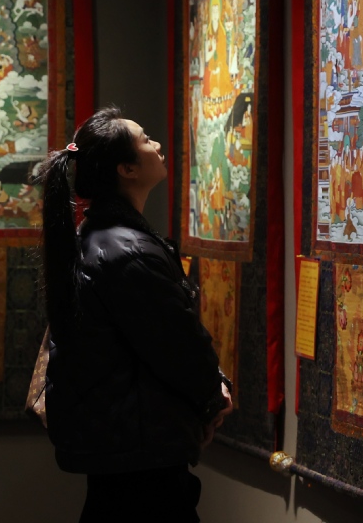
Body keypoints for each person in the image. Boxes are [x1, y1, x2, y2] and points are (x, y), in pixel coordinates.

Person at [35, 106, 232, 522]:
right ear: (126, 169)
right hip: (141, 452)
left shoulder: (100, 238)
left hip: (124, 447)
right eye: (145, 140)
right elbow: (177, 345)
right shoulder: (126, 252)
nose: (157, 145)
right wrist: (214, 398)